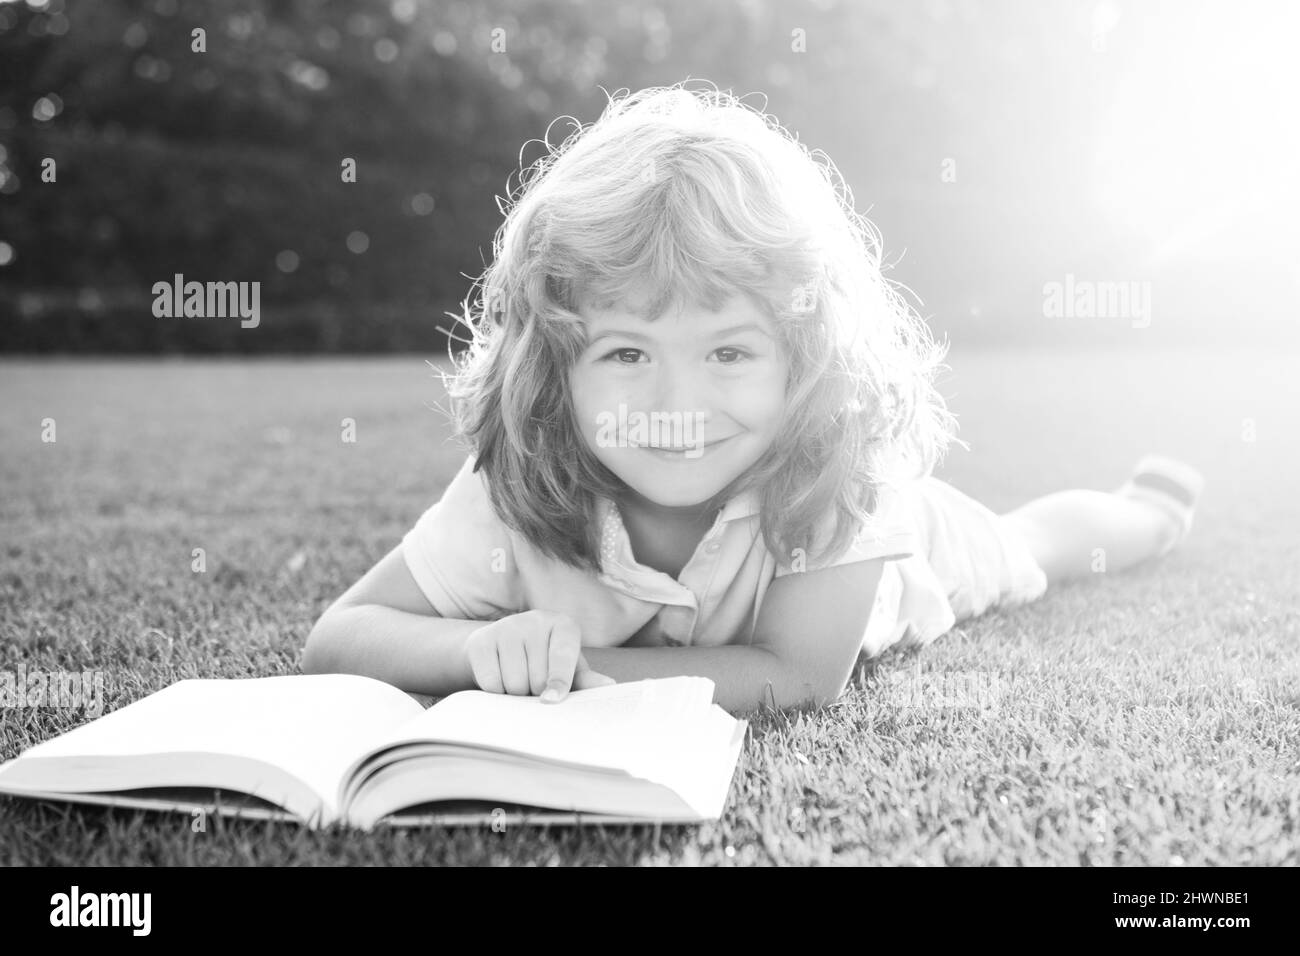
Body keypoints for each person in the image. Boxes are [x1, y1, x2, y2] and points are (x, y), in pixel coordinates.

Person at [301, 83, 1203, 716]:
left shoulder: (842, 467)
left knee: (1028, 545)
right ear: (555, 369)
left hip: (903, 550)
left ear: (804, 355)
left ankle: (1146, 513)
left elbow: (799, 675)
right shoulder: (519, 484)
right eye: (624, 351)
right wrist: (469, 653)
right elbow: (340, 636)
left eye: (729, 350)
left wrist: (566, 670)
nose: (675, 403)